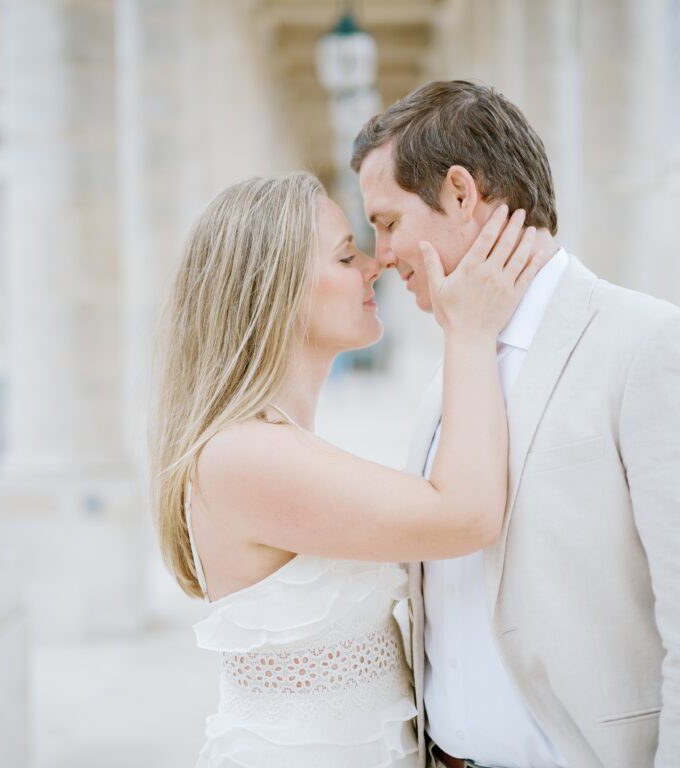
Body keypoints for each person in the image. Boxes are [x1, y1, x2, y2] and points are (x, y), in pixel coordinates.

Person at [351, 79, 680, 768]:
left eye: (389, 222)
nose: (382, 256)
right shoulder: (451, 375)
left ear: (461, 194)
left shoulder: (654, 349)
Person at [150, 171, 549, 767]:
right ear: (275, 290)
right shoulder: (242, 455)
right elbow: (466, 515)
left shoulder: (273, 442)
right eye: (345, 255)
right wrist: (468, 333)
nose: (374, 267)